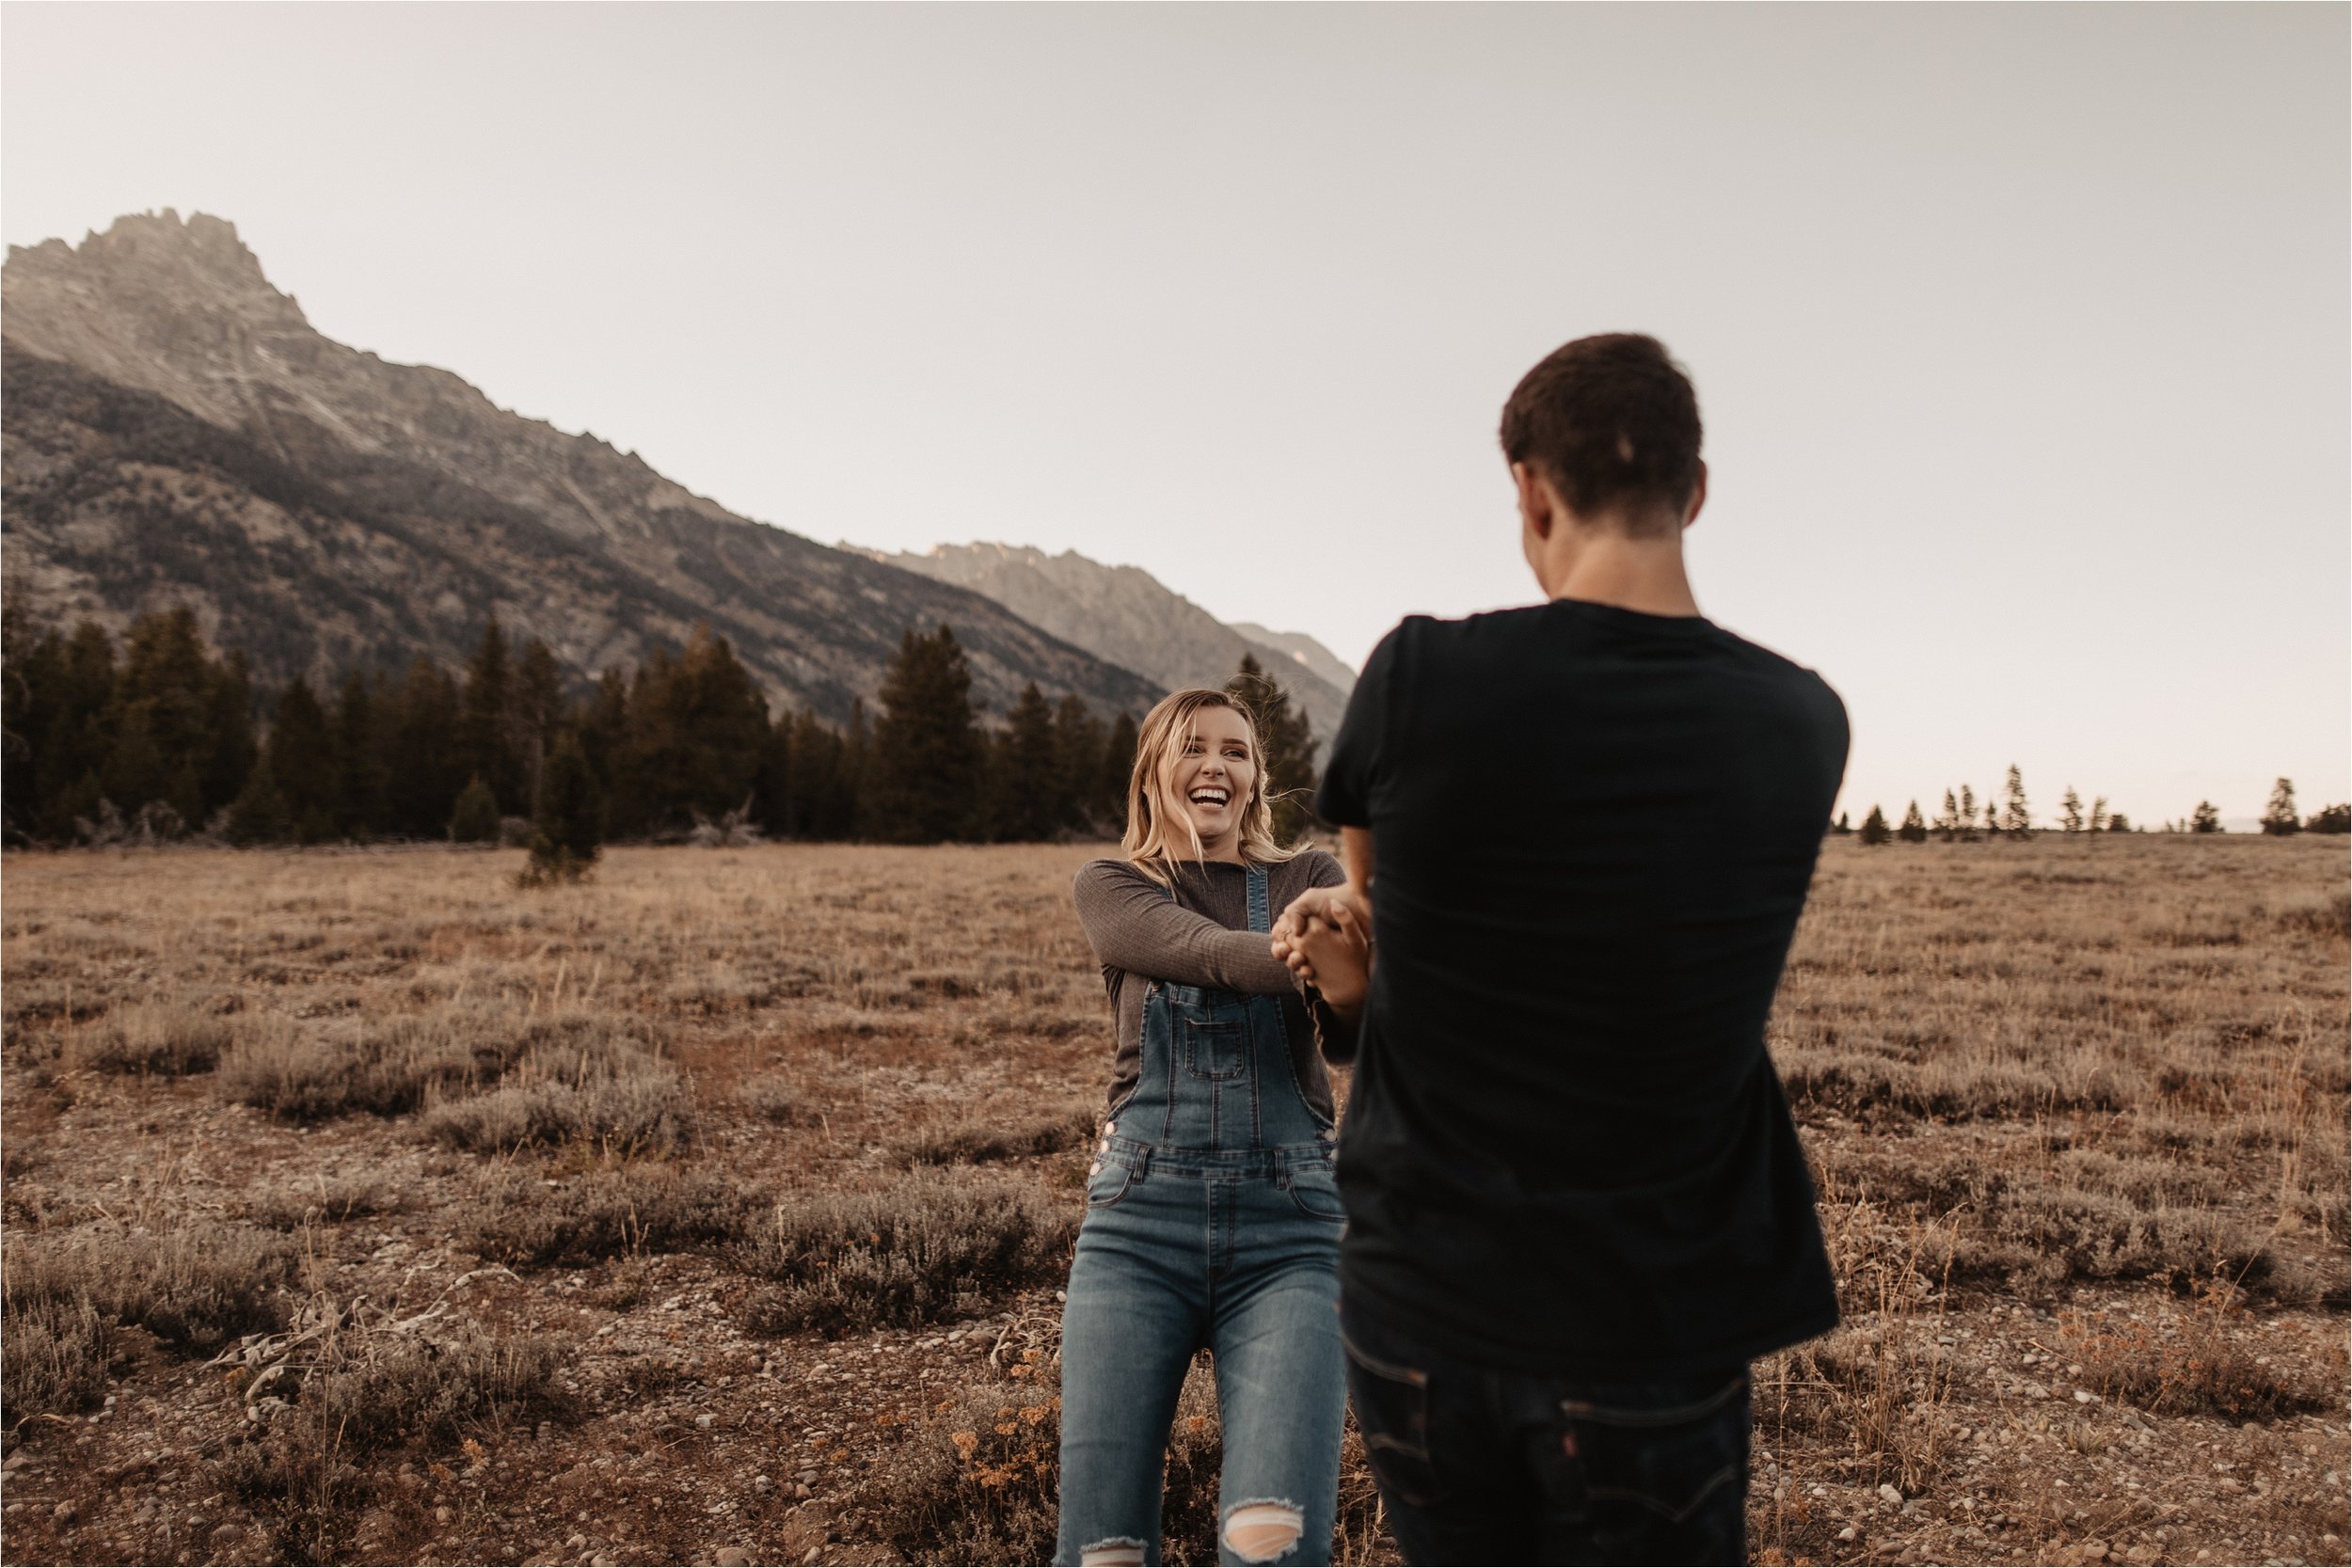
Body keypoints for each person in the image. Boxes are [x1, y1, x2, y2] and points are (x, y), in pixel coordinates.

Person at [1273, 333, 1849, 1565]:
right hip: (1657, 1309)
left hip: (1426, 1292)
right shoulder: (1802, 719)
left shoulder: (1419, 673)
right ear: (1695, 493)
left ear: (1532, 490)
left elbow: (1384, 914)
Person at [1057, 687, 1369, 1568]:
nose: (1215, 766)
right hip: (1135, 1230)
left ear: (1256, 777)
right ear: (1154, 770)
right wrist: (1315, 948)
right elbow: (1202, 952)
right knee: (1102, 1551)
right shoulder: (1114, 886)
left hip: (1294, 1230)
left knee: (1270, 1541)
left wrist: (1353, 974)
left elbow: (1349, 1033)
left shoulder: (1309, 876)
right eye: (1193, 748)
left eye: (1235, 751)